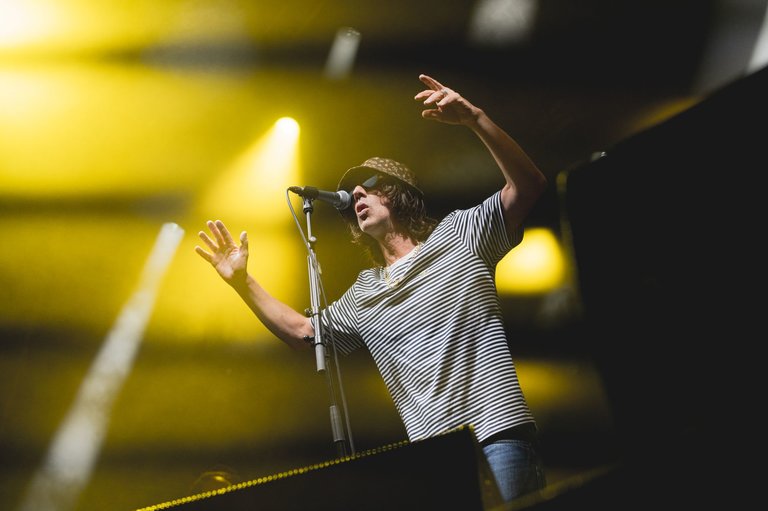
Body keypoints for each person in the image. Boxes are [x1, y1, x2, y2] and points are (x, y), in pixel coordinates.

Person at [195, 73, 549, 502]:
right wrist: (241, 281)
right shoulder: (365, 292)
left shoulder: (460, 234)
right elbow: (303, 334)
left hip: (499, 432)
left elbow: (528, 187)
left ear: (400, 194)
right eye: (351, 193)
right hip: (435, 457)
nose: (356, 194)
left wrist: (475, 118)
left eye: (370, 186)